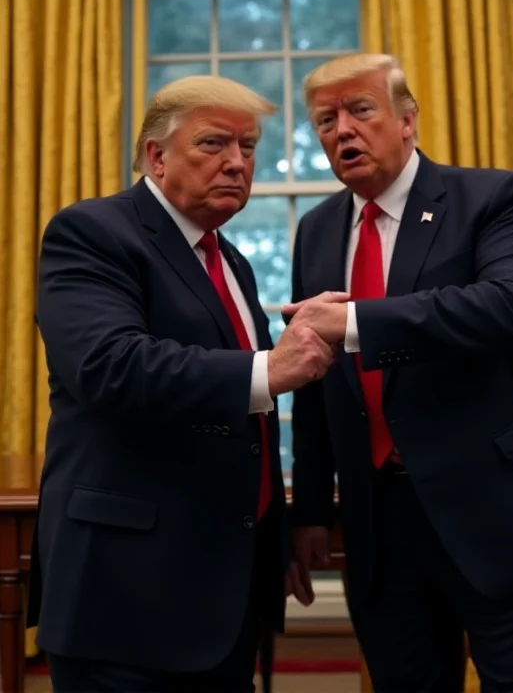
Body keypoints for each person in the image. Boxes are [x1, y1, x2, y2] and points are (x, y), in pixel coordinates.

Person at [283, 53, 513, 692]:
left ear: (407, 120)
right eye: (325, 120)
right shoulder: (315, 231)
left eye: (361, 110)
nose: (342, 130)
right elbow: (315, 377)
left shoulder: (487, 198)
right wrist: (312, 509)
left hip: (500, 516)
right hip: (377, 526)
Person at [28, 75, 339, 693]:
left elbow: (237, 426)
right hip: (126, 596)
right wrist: (269, 368)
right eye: (213, 144)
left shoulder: (232, 261)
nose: (235, 163)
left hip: (223, 591)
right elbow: (108, 366)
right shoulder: (92, 233)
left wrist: (273, 540)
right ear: (155, 156)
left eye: (248, 148)